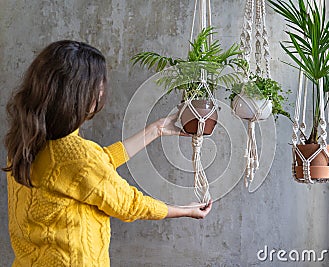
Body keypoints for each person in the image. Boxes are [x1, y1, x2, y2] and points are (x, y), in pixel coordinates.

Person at [2, 40, 212, 267]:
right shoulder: (76, 155)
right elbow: (128, 203)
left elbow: (95, 166)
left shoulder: (25, 143)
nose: (102, 91)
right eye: (98, 85)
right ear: (80, 94)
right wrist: (183, 210)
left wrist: (156, 130)